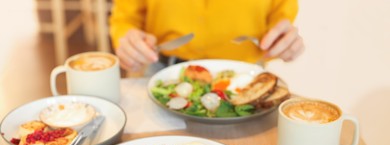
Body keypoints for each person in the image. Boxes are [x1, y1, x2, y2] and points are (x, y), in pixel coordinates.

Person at [109, 0, 304, 75]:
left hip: (243, 80)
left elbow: (281, 21)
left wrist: (285, 42)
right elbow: (125, 20)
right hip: (160, 73)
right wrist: (127, 41)